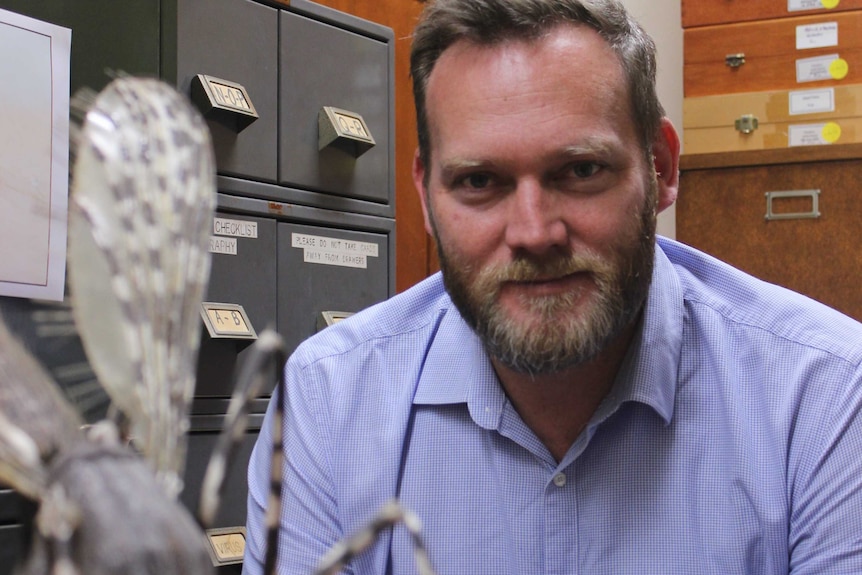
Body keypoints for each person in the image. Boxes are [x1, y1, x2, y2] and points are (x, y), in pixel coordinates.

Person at [242, 0, 862, 573]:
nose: (534, 233)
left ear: (662, 169)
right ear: (426, 197)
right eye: (480, 182)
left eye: (581, 170)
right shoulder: (325, 404)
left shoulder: (824, 397)